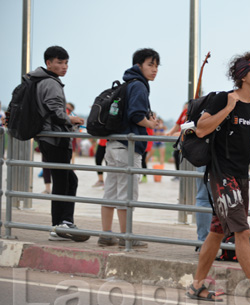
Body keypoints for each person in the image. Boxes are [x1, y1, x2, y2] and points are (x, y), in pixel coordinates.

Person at [187, 52, 250, 305]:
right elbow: (202, 127)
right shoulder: (223, 99)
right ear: (243, 75)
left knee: (217, 232)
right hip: (221, 175)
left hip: (241, 176)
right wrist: (228, 108)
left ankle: (196, 286)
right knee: (242, 231)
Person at [98, 48, 160, 247]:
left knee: (111, 190)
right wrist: (150, 124)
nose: (154, 69)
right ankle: (127, 237)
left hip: (114, 145)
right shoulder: (139, 86)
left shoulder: (127, 83)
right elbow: (135, 115)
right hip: (128, 147)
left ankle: (106, 234)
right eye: (150, 64)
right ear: (138, 65)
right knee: (127, 194)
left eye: (157, 65)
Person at [32, 46, 88, 242]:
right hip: (55, 139)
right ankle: (59, 226)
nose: (64, 67)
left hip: (48, 139)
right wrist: (72, 120)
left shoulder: (39, 80)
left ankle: (63, 222)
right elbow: (56, 113)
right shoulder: (50, 83)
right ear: (49, 63)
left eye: (66, 63)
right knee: (63, 182)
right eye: (60, 62)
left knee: (67, 181)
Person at [166, 102, 188, 181]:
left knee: (183, 157)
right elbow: (177, 125)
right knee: (176, 154)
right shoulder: (183, 113)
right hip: (179, 139)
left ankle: (183, 175)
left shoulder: (192, 112)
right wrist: (170, 133)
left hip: (186, 138)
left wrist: (179, 133)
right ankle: (178, 174)